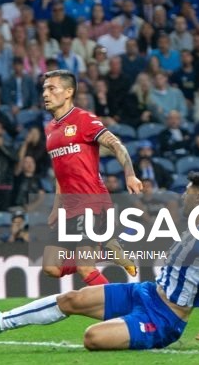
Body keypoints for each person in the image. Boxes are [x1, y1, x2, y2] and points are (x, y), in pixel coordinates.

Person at [0, 172, 199, 353]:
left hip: (164, 319)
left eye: (188, 192)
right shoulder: (194, 227)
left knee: (92, 337)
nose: (183, 196)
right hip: (146, 292)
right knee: (72, 299)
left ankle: (133, 327)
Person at [40, 70, 141, 286]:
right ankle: (107, 249)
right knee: (50, 267)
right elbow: (61, 172)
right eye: (44, 89)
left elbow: (116, 145)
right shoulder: (50, 129)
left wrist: (130, 175)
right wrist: (56, 207)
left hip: (90, 202)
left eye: (51, 88)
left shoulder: (84, 119)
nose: (45, 94)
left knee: (85, 267)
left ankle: (121, 311)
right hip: (69, 206)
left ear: (68, 92)